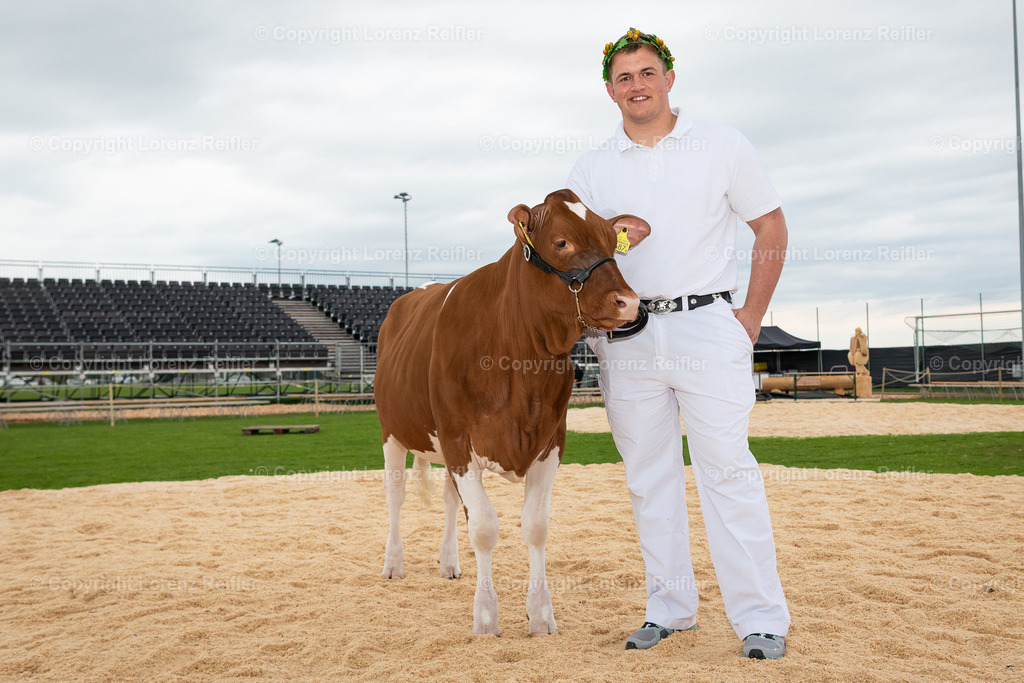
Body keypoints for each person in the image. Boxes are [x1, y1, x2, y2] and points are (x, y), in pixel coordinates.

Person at [566, 28, 791, 659]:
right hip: (627, 335)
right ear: (609, 90)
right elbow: (573, 249)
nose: (636, 85)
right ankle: (670, 609)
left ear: (670, 77)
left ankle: (760, 619)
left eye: (646, 72)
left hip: (708, 322)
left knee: (727, 470)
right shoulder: (592, 166)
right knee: (648, 477)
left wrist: (750, 314)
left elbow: (768, 222)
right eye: (623, 77)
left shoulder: (722, 144)